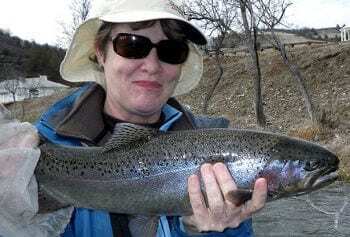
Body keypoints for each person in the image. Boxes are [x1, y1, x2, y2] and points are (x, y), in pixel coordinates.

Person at [1, 0, 267, 236]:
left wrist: (206, 232)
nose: (151, 66)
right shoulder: (29, 157)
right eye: (132, 45)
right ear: (101, 52)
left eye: (171, 51)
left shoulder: (219, 150)